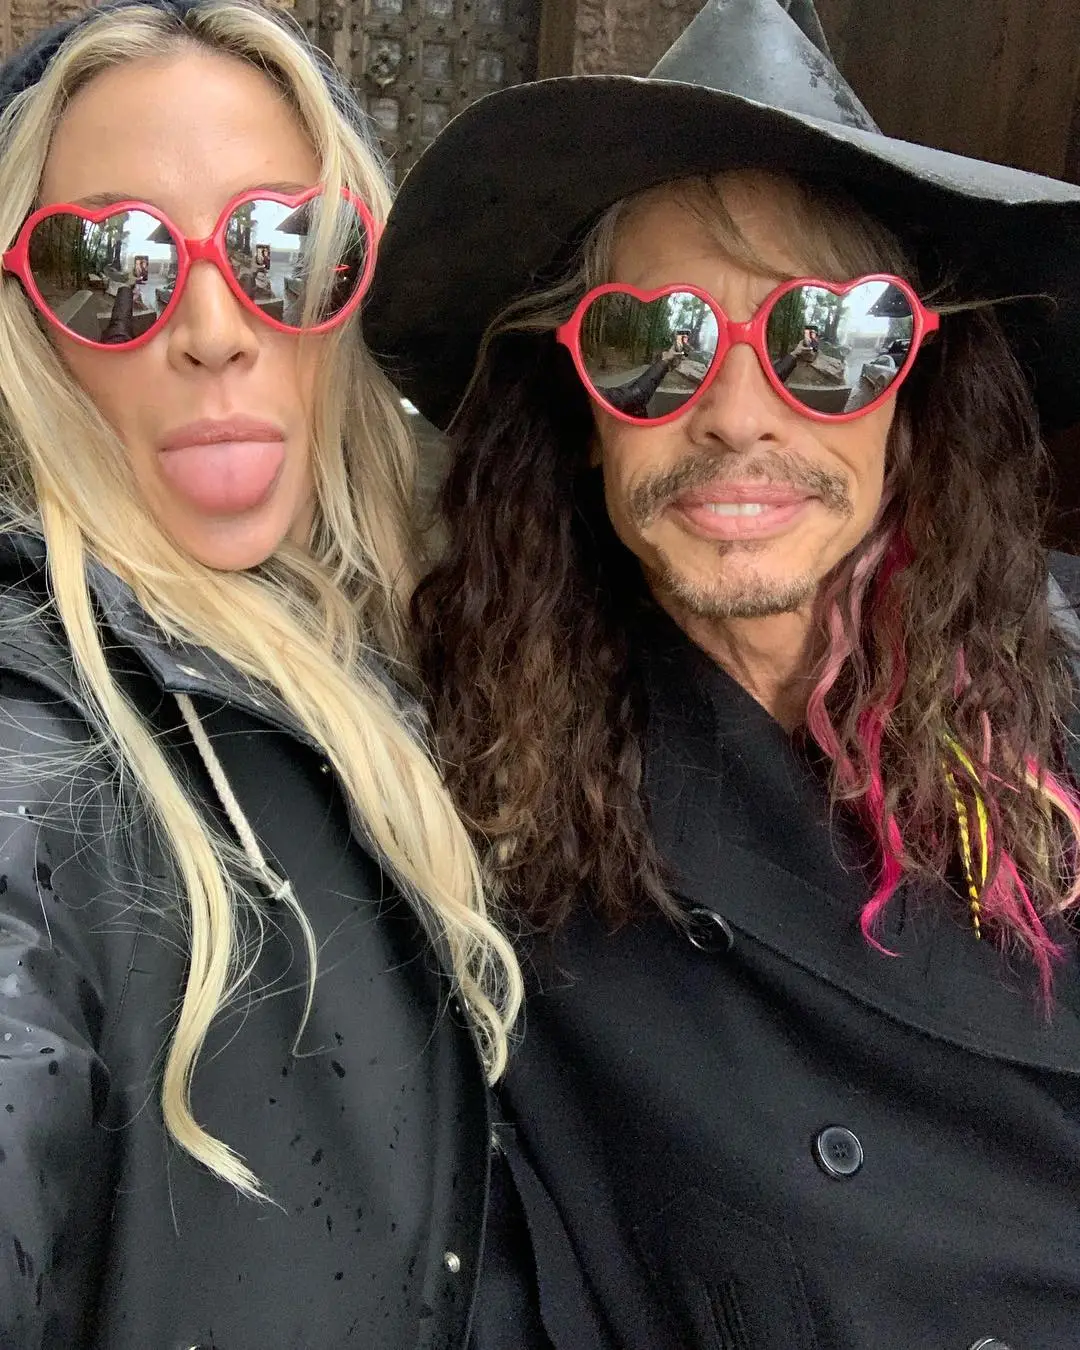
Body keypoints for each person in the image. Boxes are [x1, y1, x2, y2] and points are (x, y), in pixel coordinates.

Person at [366, 0, 1080, 1346]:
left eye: (830, 340)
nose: (741, 409)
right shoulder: (482, 808)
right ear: (579, 412)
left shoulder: (1068, 710)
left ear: (915, 386)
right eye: (654, 346)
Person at [0, 2, 521, 1346]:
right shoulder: (37, 726)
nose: (218, 328)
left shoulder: (457, 634)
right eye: (108, 266)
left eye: (285, 250)